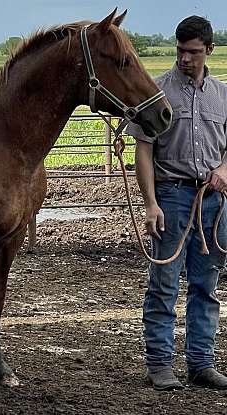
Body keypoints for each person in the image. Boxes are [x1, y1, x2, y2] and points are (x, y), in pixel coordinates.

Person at [128, 15, 227, 391]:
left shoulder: (223, 94)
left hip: (214, 201)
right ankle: (160, 364)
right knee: (164, 284)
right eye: (181, 51)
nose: (185, 58)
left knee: (206, 284)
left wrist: (224, 169)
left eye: (193, 52)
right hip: (172, 195)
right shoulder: (157, 91)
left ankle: (201, 363)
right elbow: (143, 150)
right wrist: (151, 203)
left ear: (209, 51)